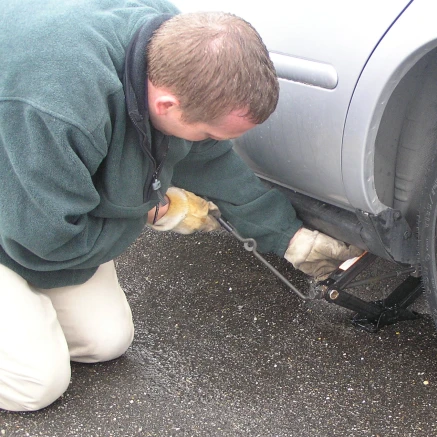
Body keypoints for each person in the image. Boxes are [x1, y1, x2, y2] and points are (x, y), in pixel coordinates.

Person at [0, 0, 361, 412]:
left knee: (105, 341)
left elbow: (211, 160)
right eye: (207, 131)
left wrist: (290, 237)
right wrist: (151, 205)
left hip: (29, 184)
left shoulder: (169, 42)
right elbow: (47, 241)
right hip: (27, 218)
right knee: (36, 383)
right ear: (167, 105)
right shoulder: (58, 108)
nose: (209, 141)